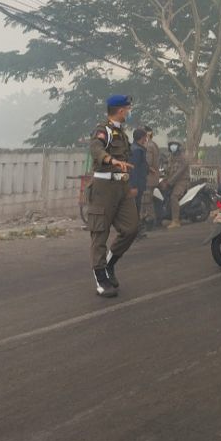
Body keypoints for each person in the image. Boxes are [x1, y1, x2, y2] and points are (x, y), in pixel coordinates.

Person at [87, 95, 139, 297]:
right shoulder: (104, 130)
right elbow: (96, 149)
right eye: (128, 108)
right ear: (120, 110)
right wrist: (111, 160)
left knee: (131, 228)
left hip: (122, 186)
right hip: (104, 188)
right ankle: (101, 280)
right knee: (100, 233)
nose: (129, 111)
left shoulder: (121, 132)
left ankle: (109, 263)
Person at [162, 141, 190, 229]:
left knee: (173, 197)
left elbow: (179, 173)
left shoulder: (183, 158)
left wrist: (169, 182)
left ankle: (176, 221)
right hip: (171, 181)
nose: (172, 147)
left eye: (174, 146)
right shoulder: (170, 157)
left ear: (179, 147)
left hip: (181, 181)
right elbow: (167, 170)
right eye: (171, 146)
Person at [128, 129, 149, 239]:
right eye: (145, 137)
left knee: (136, 208)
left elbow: (142, 165)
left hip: (138, 183)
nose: (146, 139)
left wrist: (149, 169)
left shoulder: (137, 149)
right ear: (142, 137)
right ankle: (134, 233)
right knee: (135, 208)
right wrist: (134, 186)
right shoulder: (136, 150)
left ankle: (136, 232)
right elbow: (134, 169)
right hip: (136, 185)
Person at [143, 126, 160, 228]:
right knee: (148, 200)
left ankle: (150, 220)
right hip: (152, 177)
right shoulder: (153, 144)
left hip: (149, 177)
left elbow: (148, 162)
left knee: (147, 200)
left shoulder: (148, 146)